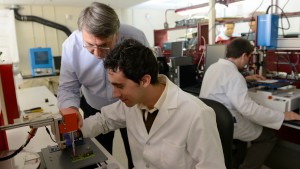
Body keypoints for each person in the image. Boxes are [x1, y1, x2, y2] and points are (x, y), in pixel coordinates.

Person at [78, 39, 226, 169]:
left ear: (144, 81)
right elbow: (104, 120)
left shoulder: (196, 114)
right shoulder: (131, 103)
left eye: (120, 86)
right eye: (112, 85)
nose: (114, 94)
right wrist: (74, 131)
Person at [57, 2, 149, 169]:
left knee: (138, 157)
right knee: (95, 159)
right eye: (90, 46)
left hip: (130, 106)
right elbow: (67, 88)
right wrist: (70, 109)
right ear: (81, 32)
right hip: (94, 107)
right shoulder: (71, 46)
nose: (98, 54)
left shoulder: (135, 38)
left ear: (116, 33)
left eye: (104, 45)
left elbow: (147, 77)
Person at [200, 38, 300, 169]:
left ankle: (236, 163)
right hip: (229, 123)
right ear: (243, 56)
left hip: (212, 120)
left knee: (246, 132)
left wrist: (244, 78)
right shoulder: (234, 76)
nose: (248, 61)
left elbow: (224, 82)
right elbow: (249, 110)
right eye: (249, 57)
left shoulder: (214, 67)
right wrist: (282, 115)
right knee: (268, 137)